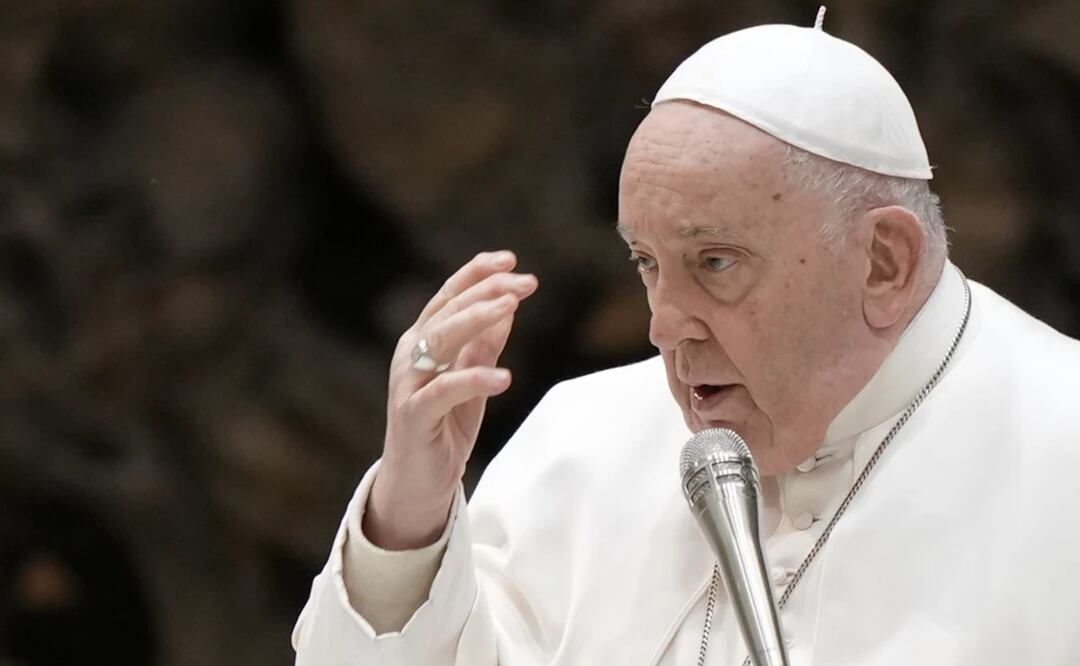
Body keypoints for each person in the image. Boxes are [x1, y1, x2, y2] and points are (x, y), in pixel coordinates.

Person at [292, 16, 1080, 666]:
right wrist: (410, 520)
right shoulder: (582, 441)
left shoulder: (1062, 449)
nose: (663, 324)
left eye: (715, 263)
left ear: (883, 262)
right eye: (647, 263)